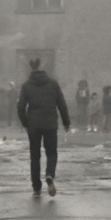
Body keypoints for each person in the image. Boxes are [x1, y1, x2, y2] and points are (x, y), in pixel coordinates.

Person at [17, 58, 70, 198]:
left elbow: (20, 107)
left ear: (31, 68)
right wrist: (66, 122)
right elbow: (62, 104)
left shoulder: (26, 86)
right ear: (41, 66)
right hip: (50, 124)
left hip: (33, 125)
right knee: (52, 153)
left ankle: (36, 189)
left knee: (35, 157)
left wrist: (25, 123)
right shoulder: (53, 84)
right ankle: (49, 174)